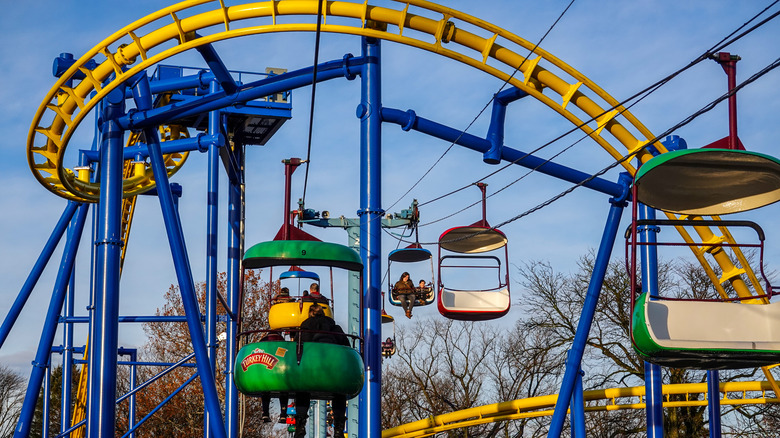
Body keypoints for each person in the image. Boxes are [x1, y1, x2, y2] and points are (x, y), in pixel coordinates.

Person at [293, 303, 349, 437]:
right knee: (339, 392)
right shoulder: (335, 328)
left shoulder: (304, 328)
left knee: (302, 391)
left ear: (310, 314)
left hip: (311, 369)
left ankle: (300, 426)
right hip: (332, 370)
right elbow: (346, 346)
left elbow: (297, 346)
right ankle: (339, 429)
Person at [258, 330, 289, 423]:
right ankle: (283, 414)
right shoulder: (283, 342)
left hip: (266, 373)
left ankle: (265, 413)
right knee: (284, 391)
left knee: (265, 392)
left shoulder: (263, 341)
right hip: (279, 372)